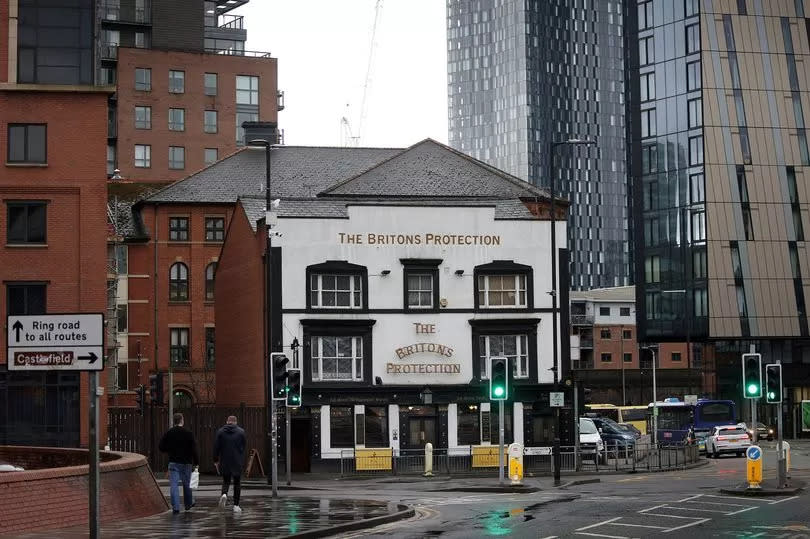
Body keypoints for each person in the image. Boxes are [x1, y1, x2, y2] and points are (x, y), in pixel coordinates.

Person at [159, 412, 199, 514]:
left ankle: (176, 507)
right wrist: (196, 462)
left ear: (174, 421)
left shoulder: (169, 433)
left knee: (174, 485)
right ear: (182, 420)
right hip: (186, 463)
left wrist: (170, 449)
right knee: (187, 485)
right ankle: (188, 504)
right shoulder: (188, 433)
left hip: (173, 462)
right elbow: (194, 449)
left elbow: (161, 447)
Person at [214, 415, 247, 513]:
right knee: (237, 483)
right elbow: (244, 445)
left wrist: (215, 460)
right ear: (235, 422)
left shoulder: (220, 432)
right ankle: (236, 505)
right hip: (237, 460)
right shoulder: (241, 432)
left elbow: (216, 447)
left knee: (226, 481)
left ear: (227, 421)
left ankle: (224, 494)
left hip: (225, 461)